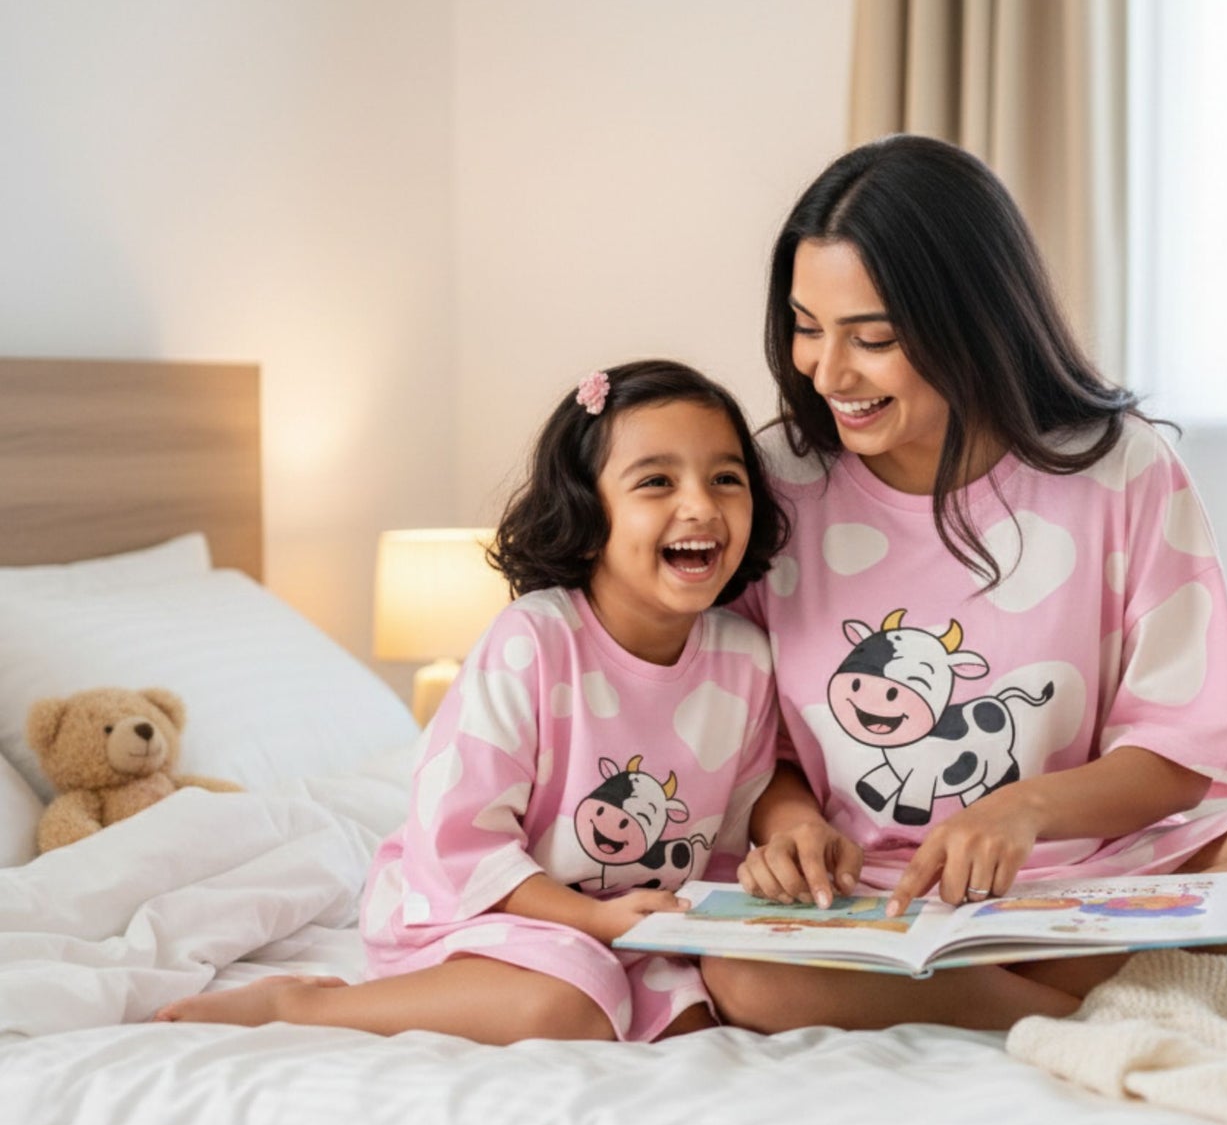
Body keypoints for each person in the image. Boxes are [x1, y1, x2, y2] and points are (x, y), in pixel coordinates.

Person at [702, 134, 1227, 1034]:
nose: (827, 373)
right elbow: (753, 740)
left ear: (972, 317)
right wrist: (789, 829)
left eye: (875, 338)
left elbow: (1181, 751)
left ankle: (1007, 980)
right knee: (746, 976)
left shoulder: (1118, 467)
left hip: (1106, 870)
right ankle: (1092, 993)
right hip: (873, 890)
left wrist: (1023, 810)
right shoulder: (772, 484)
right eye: (805, 327)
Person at [157, 360, 788, 1044]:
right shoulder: (535, 640)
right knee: (570, 1005)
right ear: (587, 511)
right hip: (482, 908)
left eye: (726, 478)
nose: (700, 504)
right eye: (656, 481)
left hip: (633, 923)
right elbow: (460, 844)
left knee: (699, 1029)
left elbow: (726, 842)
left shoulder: (745, 659)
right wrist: (591, 923)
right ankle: (299, 1007)